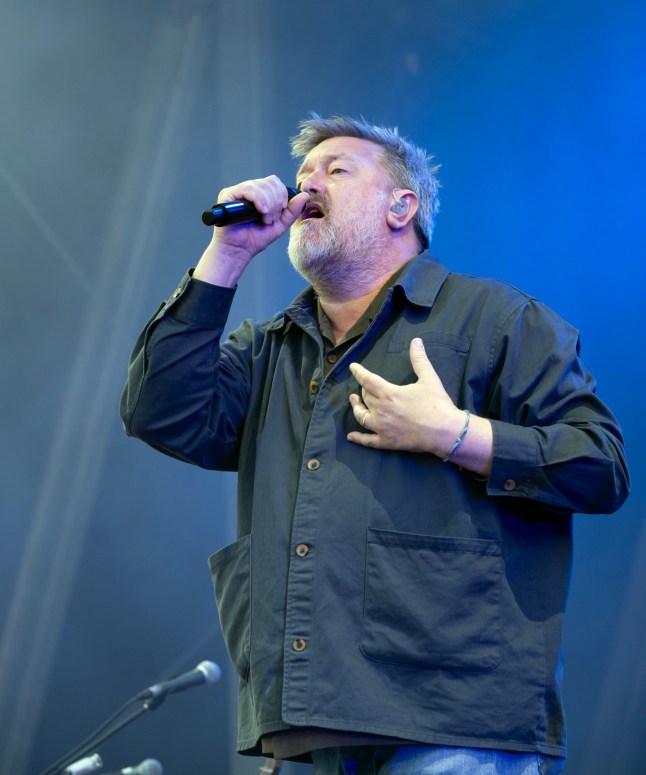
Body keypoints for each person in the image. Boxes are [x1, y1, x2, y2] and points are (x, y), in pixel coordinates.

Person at [120, 113, 629, 775]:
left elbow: (600, 464)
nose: (307, 186)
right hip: (316, 720)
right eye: (302, 175)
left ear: (401, 205)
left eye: (336, 170)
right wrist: (230, 252)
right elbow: (158, 410)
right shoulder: (269, 348)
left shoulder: (497, 319)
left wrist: (456, 435)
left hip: (458, 721)